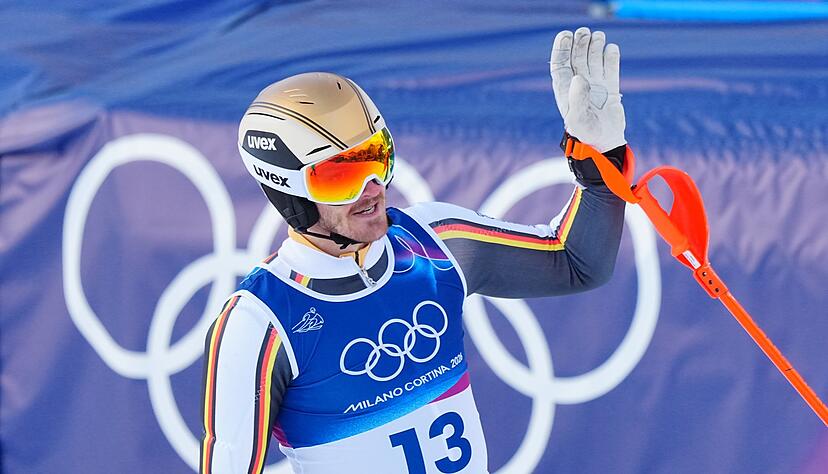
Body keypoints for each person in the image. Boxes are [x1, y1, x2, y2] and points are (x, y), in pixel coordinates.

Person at [200, 27, 628, 474]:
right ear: (289, 193)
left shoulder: (435, 243)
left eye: (376, 157)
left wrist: (599, 159)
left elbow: (578, 263)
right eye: (340, 176)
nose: (371, 189)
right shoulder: (259, 323)